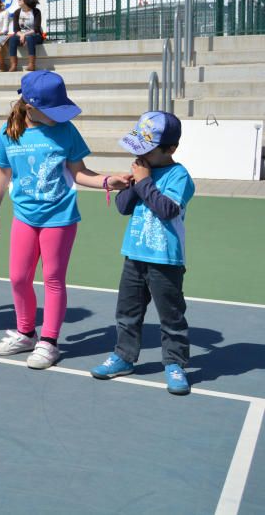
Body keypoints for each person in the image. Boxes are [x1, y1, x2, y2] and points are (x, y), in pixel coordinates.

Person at [0, 71, 130, 369]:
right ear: (30, 106)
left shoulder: (66, 132)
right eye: (53, 111)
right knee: (19, 277)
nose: (59, 116)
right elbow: (2, 171)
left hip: (59, 218)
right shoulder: (8, 132)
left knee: (53, 278)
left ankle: (49, 341)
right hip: (24, 217)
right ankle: (26, 332)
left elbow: (79, 172)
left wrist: (107, 181)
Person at [91, 112, 195, 396]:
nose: (141, 154)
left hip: (165, 260)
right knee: (127, 312)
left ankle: (174, 363)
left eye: (148, 149)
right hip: (134, 255)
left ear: (170, 149)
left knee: (171, 316)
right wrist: (132, 184)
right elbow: (123, 207)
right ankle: (124, 357)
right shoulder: (142, 173)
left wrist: (145, 181)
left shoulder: (179, 176)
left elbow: (167, 210)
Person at [7, 0, 43, 72]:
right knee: (12, 39)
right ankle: (13, 65)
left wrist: (24, 35)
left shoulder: (36, 11)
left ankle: (31, 64)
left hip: (35, 35)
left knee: (30, 38)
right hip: (22, 36)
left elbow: (36, 28)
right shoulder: (17, 12)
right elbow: (16, 30)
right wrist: (22, 35)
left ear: (26, 0)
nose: (18, 0)